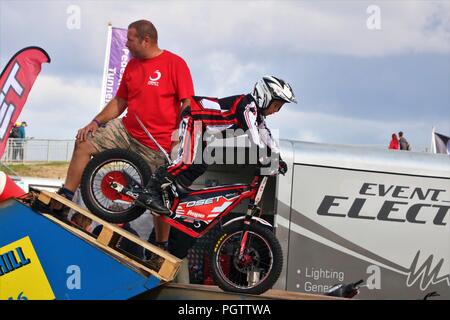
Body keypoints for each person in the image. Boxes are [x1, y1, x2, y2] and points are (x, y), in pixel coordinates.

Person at [49, 19, 195, 251]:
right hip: (127, 130)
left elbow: (187, 103)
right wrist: (95, 122)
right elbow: (120, 101)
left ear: (146, 40)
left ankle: (161, 245)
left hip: (157, 142)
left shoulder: (175, 64)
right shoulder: (133, 65)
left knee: (160, 195)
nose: (126, 44)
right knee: (84, 143)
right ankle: (66, 196)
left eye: (130, 39)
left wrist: (181, 134)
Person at [141, 76, 297, 259]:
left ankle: (170, 192)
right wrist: (264, 157)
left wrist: (278, 158)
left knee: (199, 166)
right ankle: (151, 191)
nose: (276, 111)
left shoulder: (257, 115)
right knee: (187, 161)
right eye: (276, 105)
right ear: (265, 96)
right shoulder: (247, 107)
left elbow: (266, 136)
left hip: (205, 130)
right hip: (194, 117)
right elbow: (254, 137)